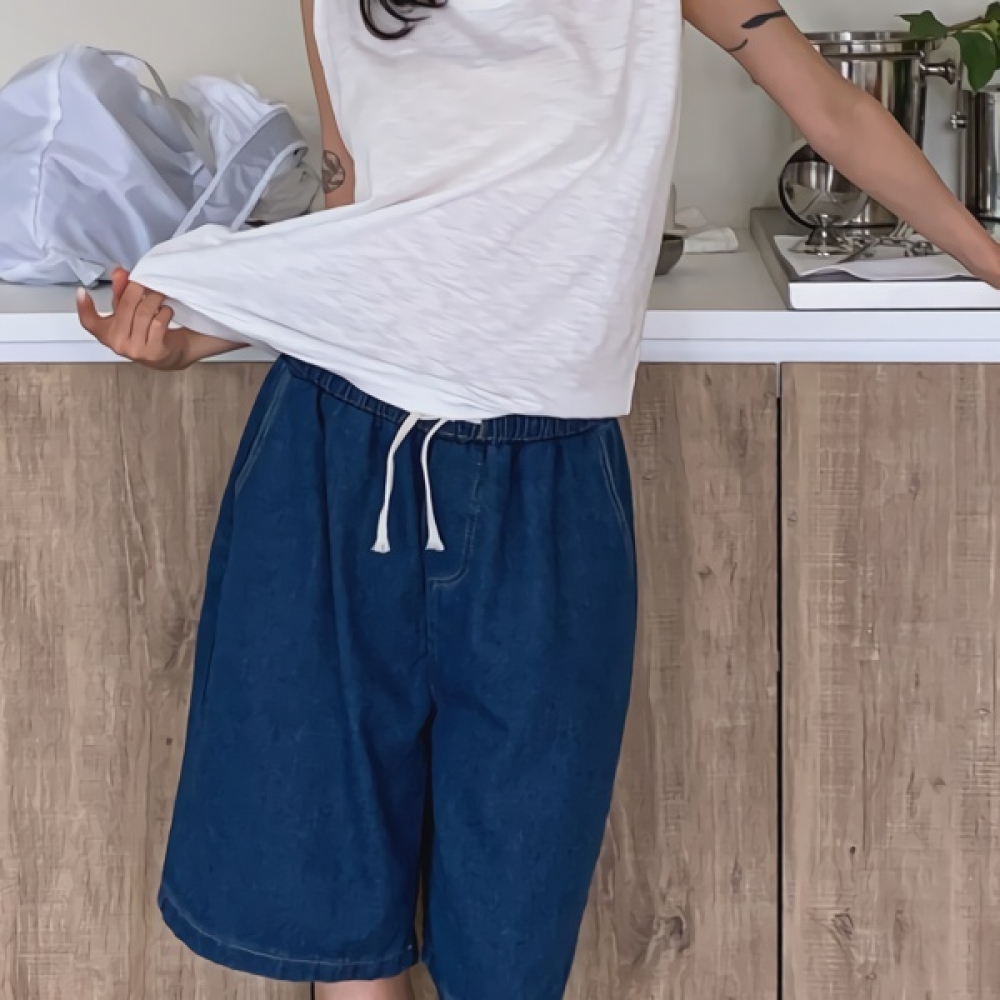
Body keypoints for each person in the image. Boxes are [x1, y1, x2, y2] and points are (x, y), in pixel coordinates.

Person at [76, 0, 1000, 997]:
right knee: (339, 907)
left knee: (512, 924)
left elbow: (833, 109)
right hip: (333, 455)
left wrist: (992, 262)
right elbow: (360, 222)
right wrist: (191, 340)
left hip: (546, 485)